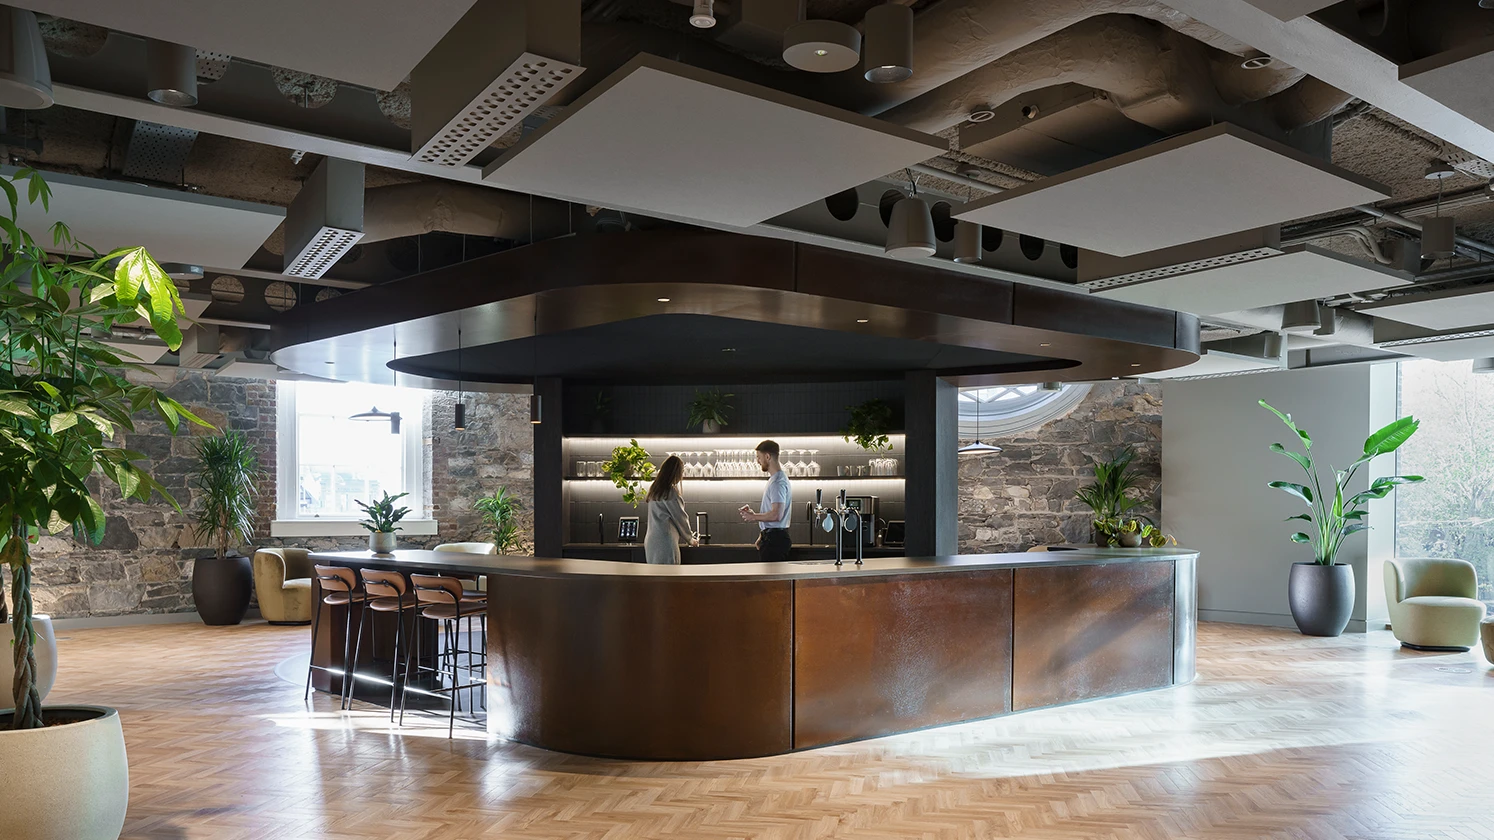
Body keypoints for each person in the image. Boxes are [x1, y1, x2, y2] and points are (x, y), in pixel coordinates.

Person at [739, 439, 793, 563]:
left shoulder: (777, 482)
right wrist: (762, 534)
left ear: (767, 456)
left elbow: (776, 515)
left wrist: (753, 517)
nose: (757, 461)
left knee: (773, 581)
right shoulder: (775, 479)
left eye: (759, 457)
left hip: (775, 541)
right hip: (772, 538)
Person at [644, 455, 697, 565]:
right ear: (675, 472)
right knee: (669, 577)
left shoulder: (655, 490)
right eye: (681, 471)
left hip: (651, 541)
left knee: (655, 577)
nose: (682, 475)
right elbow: (680, 517)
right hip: (665, 541)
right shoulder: (670, 492)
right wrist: (690, 539)